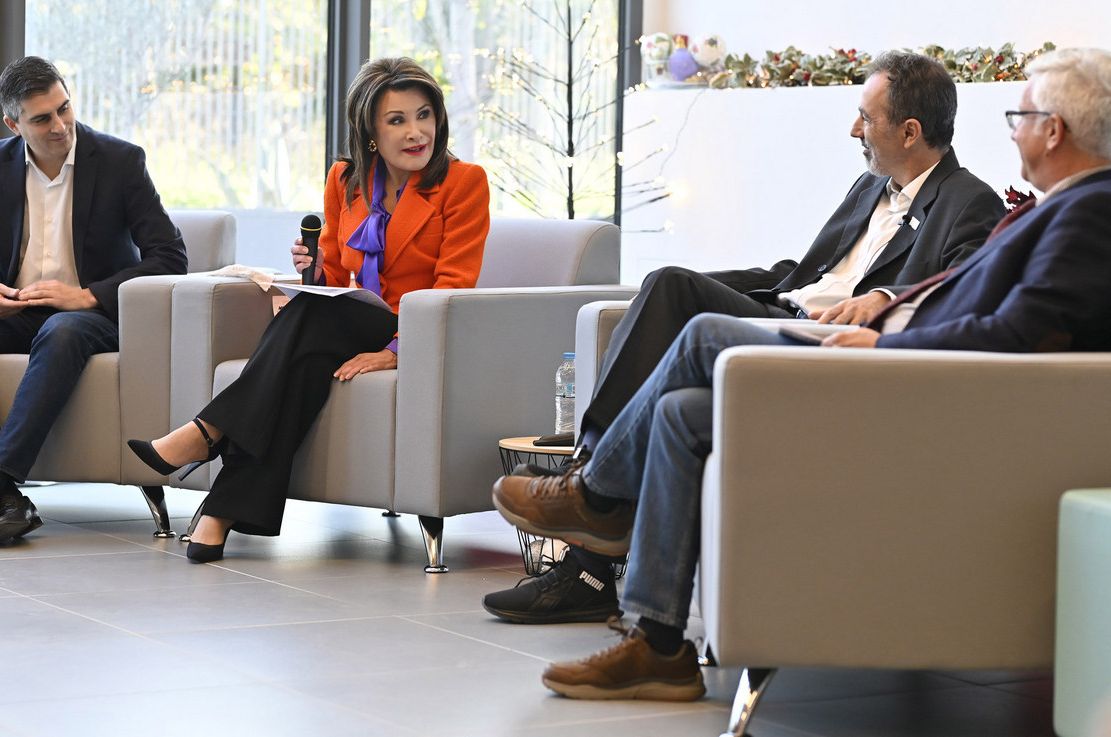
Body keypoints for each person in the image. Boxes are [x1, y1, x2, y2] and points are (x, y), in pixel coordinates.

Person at [491, 46, 1111, 700]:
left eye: (1020, 116)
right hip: (892, 366)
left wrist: (886, 341)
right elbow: (859, 278)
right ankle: (659, 646)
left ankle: (597, 494)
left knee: (701, 336)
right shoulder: (1058, 207)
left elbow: (1015, 332)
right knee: (679, 412)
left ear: (1054, 129)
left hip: (905, 386)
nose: (1011, 131)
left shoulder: (1088, 211)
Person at [128, 57, 491, 563]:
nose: (416, 132)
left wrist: (395, 351)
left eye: (424, 115)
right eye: (397, 120)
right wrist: (314, 269)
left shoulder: (464, 182)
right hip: (348, 322)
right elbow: (335, 281)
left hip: (414, 327)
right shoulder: (345, 179)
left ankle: (206, 432)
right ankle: (220, 512)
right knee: (300, 364)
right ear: (370, 134)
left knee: (306, 325)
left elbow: (453, 287)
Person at [0, 56, 187, 545]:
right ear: (13, 124)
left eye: (64, 108)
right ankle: (5, 499)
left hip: (93, 316)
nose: (61, 125)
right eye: (42, 118)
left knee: (62, 330)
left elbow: (170, 256)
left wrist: (86, 295)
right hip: (20, 311)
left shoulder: (120, 160)